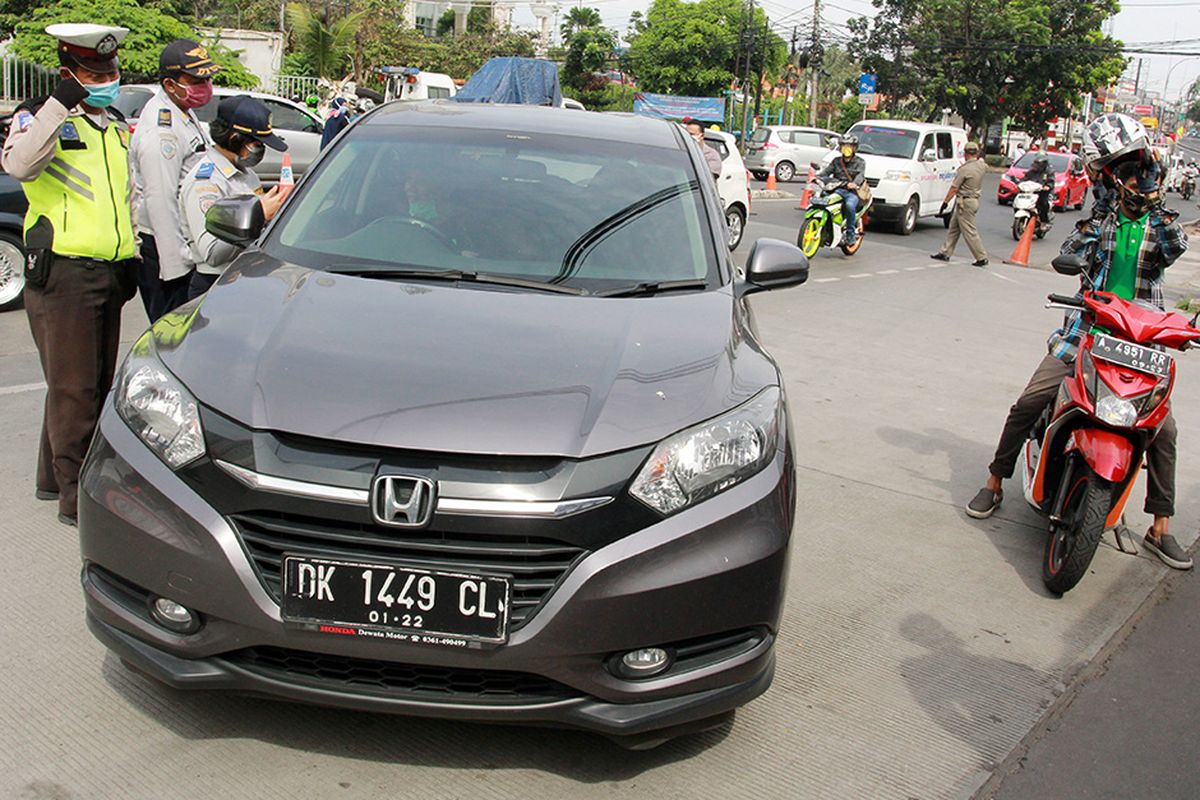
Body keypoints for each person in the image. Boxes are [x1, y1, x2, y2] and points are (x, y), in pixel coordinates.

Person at [966, 150, 1191, 570]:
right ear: (1119, 185)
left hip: (1140, 339)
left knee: (1165, 430)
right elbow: (1071, 251)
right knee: (1032, 400)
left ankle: (1160, 527)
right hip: (1087, 331)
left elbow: (1175, 247)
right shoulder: (1103, 220)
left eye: (1150, 190)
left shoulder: (1159, 227)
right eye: (1137, 189)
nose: (1143, 196)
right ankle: (995, 481)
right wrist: (1102, 208)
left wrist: (1158, 210)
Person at [2, 23, 138, 526]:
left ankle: (49, 477)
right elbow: (19, 165)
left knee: (88, 383)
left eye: (111, 70)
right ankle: (74, 498)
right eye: (92, 72)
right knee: (75, 389)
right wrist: (59, 103)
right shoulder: (41, 119)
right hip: (64, 272)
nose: (106, 79)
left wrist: (134, 254)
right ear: (68, 74)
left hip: (111, 269)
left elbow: (124, 198)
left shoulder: (113, 124)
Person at [128, 39, 220, 322]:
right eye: (195, 80)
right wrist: (177, 266)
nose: (204, 86)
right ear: (170, 84)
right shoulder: (161, 130)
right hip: (164, 247)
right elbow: (160, 200)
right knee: (170, 329)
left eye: (206, 78)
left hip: (181, 240)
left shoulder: (183, 112)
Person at [179, 95, 287, 300]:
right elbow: (211, 253)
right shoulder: (206, 182)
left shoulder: (247, 174)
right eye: (257, 144)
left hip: (244, 275)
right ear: (235, 139)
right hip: (215, 282)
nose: (260, 150)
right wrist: (259, 215)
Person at [931, 141, 988, 266]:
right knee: (954, 228)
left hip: (965, 202)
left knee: (969, 231)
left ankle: (981, 257)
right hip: (972, 200)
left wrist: (945, 202)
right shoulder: (981, 166)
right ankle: (945, 252)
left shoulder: (965, 169)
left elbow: (954, 188)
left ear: (966, 154)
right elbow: (984, 164)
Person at [816, 134, 866, 245]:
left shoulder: (860, 162)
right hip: (837, 189)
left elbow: (860, 175)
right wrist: (817, 177)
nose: (846, 148)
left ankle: (850, 234)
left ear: (854, 148)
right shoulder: (836, 161)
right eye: (844, 145)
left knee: (849, 206)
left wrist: (854, 183)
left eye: (849, 145)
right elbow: (826, 172)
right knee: (824, 200)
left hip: (852, 192)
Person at [1022, 153, 1055, 225]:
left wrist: (1048, 186)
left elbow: (1051, 181)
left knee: (1043, 203)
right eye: (1035, 163)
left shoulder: (1048, 172)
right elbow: (1025, 179)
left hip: (1043, 192)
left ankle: (1044, 222)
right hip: (1031, 191)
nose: (1036, 166)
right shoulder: (1031, 172)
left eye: (1038, 164)